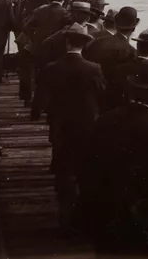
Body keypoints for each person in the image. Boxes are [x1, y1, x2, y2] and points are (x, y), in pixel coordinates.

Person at [82, 59, 148, 256]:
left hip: (106, 216)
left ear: (132, 89)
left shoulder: (105, 121)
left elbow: (87, 167)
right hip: (142, 225)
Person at [31, 23, 105, 236]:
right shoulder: (94, 68)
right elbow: (102, 94)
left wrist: (35, 113)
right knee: (84, 167)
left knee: (63, 165)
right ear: (85, 45)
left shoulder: (52, 68)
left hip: (60, 125)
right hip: (86, 126)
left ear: (66, 42)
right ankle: (83, 216)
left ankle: (65, 214)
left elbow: (40, 96)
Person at [84, 6, 140, 112]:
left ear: (116, 24)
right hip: (114, 104)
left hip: (92, 98)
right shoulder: (131, 52)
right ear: (133, 28)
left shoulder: (97, 42)